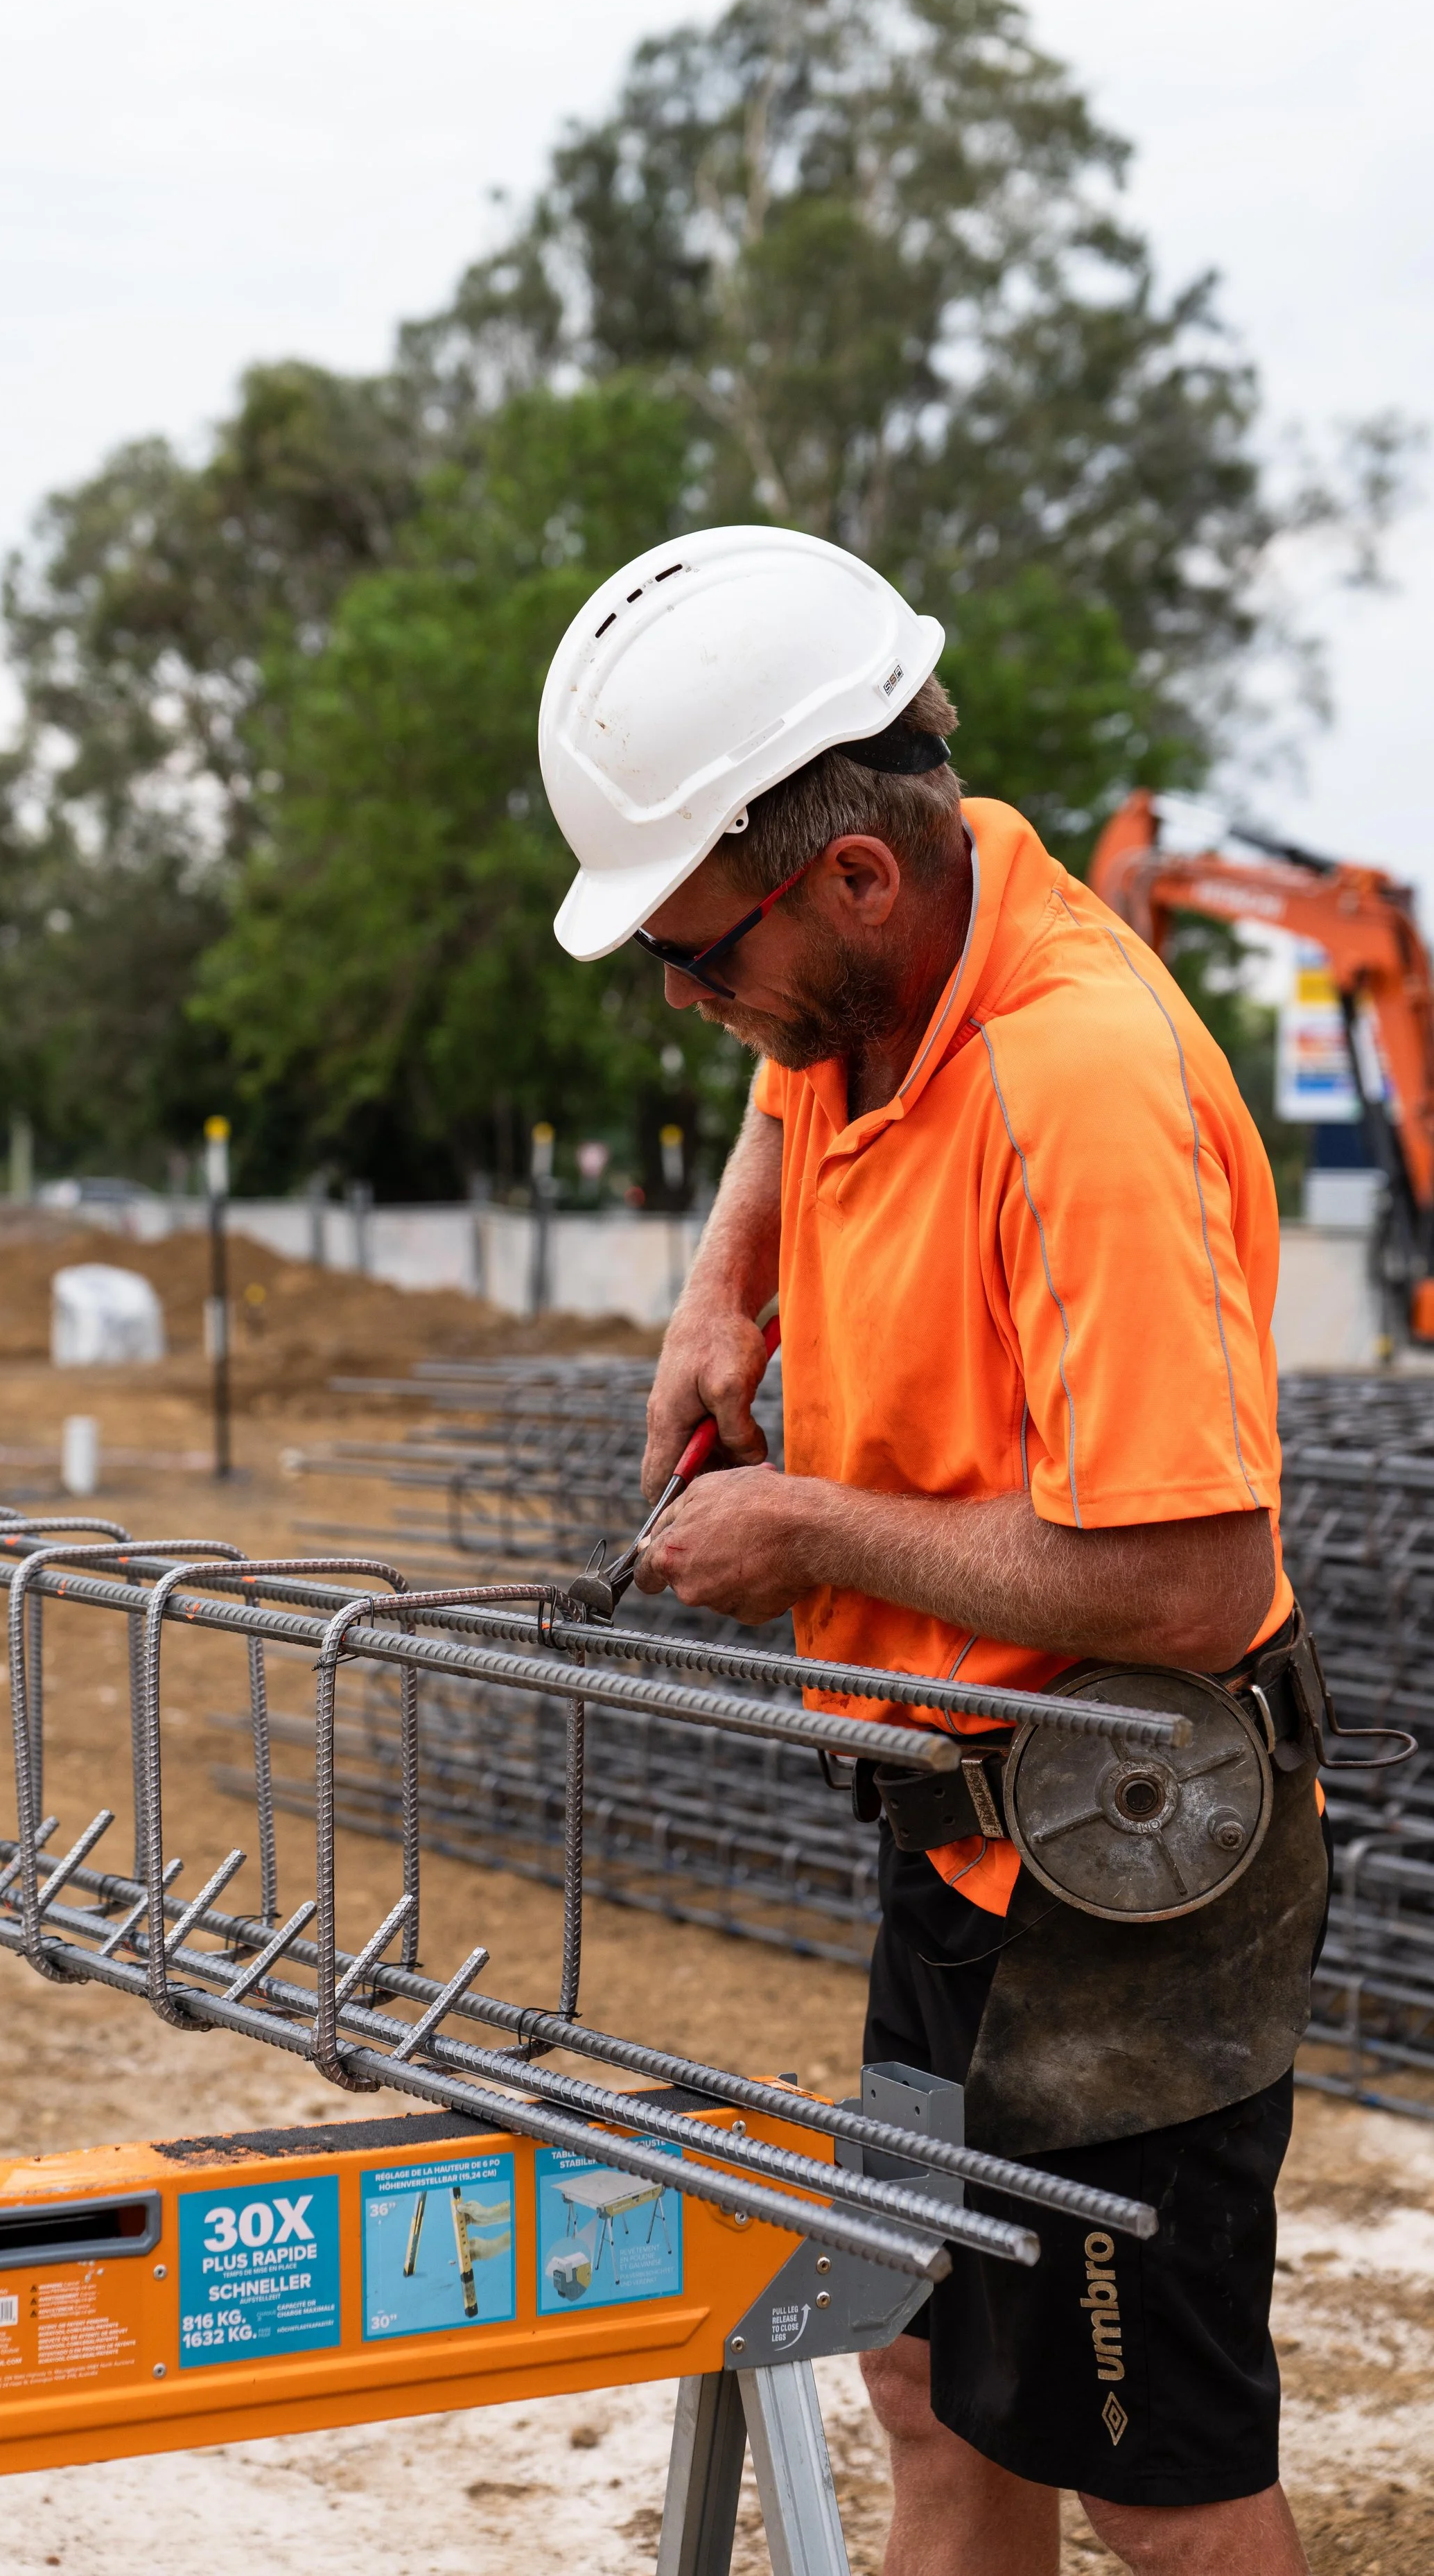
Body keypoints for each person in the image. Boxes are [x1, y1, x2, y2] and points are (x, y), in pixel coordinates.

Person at [539, 528, 1325, 2576]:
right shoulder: (885, 955)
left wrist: (796, 1523)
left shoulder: (1076, 1080)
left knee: (1154, 2479)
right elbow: (793, 1087)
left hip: (1118, 1872)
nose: (688, 1000)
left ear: (848, 879)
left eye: (697, 958)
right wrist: (729, 1273)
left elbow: (1181, 1576)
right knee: (921, 2376)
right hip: (948, 1823)